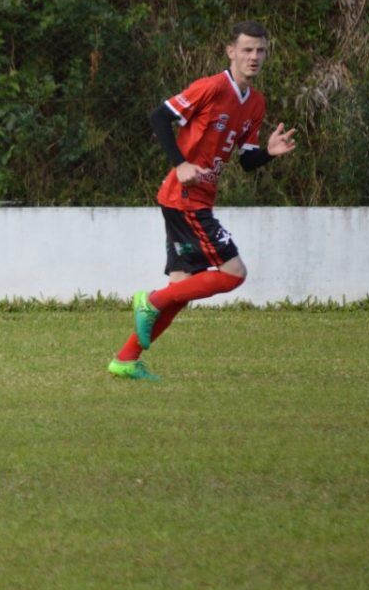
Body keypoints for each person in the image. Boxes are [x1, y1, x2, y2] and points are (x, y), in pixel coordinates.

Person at [108, 21, 297, 381]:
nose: (254, 57)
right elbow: (159, 116)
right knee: (234, 273)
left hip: (195, 199)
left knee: (181, 289)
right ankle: (150, 301)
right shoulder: (210, 87)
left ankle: (126, 359)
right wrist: (179, 164)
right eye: (246, 49)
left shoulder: (255, 102)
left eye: (260, 50)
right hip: (184, 199)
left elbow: (246, 160)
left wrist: (269, 153)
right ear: (230, 51)